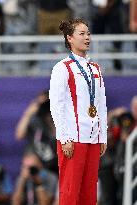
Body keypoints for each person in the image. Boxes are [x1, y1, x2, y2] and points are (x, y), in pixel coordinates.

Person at [49, 18, 107, 205]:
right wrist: (64, 137)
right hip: (73, 138)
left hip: (93, 137)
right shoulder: (62, 68)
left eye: (88, 33)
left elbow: (101, 104)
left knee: (90, 191)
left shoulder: (95, 68)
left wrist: (103, 136)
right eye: (82, 34)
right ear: (70, 38)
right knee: (70, 189)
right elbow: (56, 105)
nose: (87, 37)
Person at [15, 90, 58, 174]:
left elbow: (56, 137)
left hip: (55, 162)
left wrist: (51, 118)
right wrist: (28, 114)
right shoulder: (34, 120)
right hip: (38, 162)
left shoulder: (59, 118)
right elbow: (19, 135)